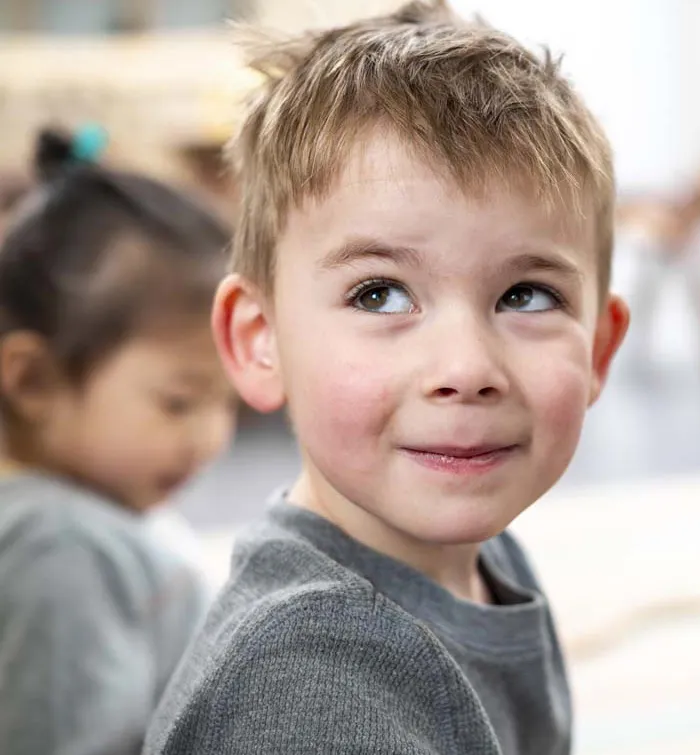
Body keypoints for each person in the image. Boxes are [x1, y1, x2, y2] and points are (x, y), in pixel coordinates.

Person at [145, 2, 629, 754]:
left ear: (597, 348)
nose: (466, 370)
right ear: (259, 339)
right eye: (379, 293)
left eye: (526, 295)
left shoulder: (484, 554)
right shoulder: (307, 683)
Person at [0, 127, 236, 754]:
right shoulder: (59, 549)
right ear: (33, 380)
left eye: (224, 401)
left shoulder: (88, 518)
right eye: (179, 401)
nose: (210, 437)